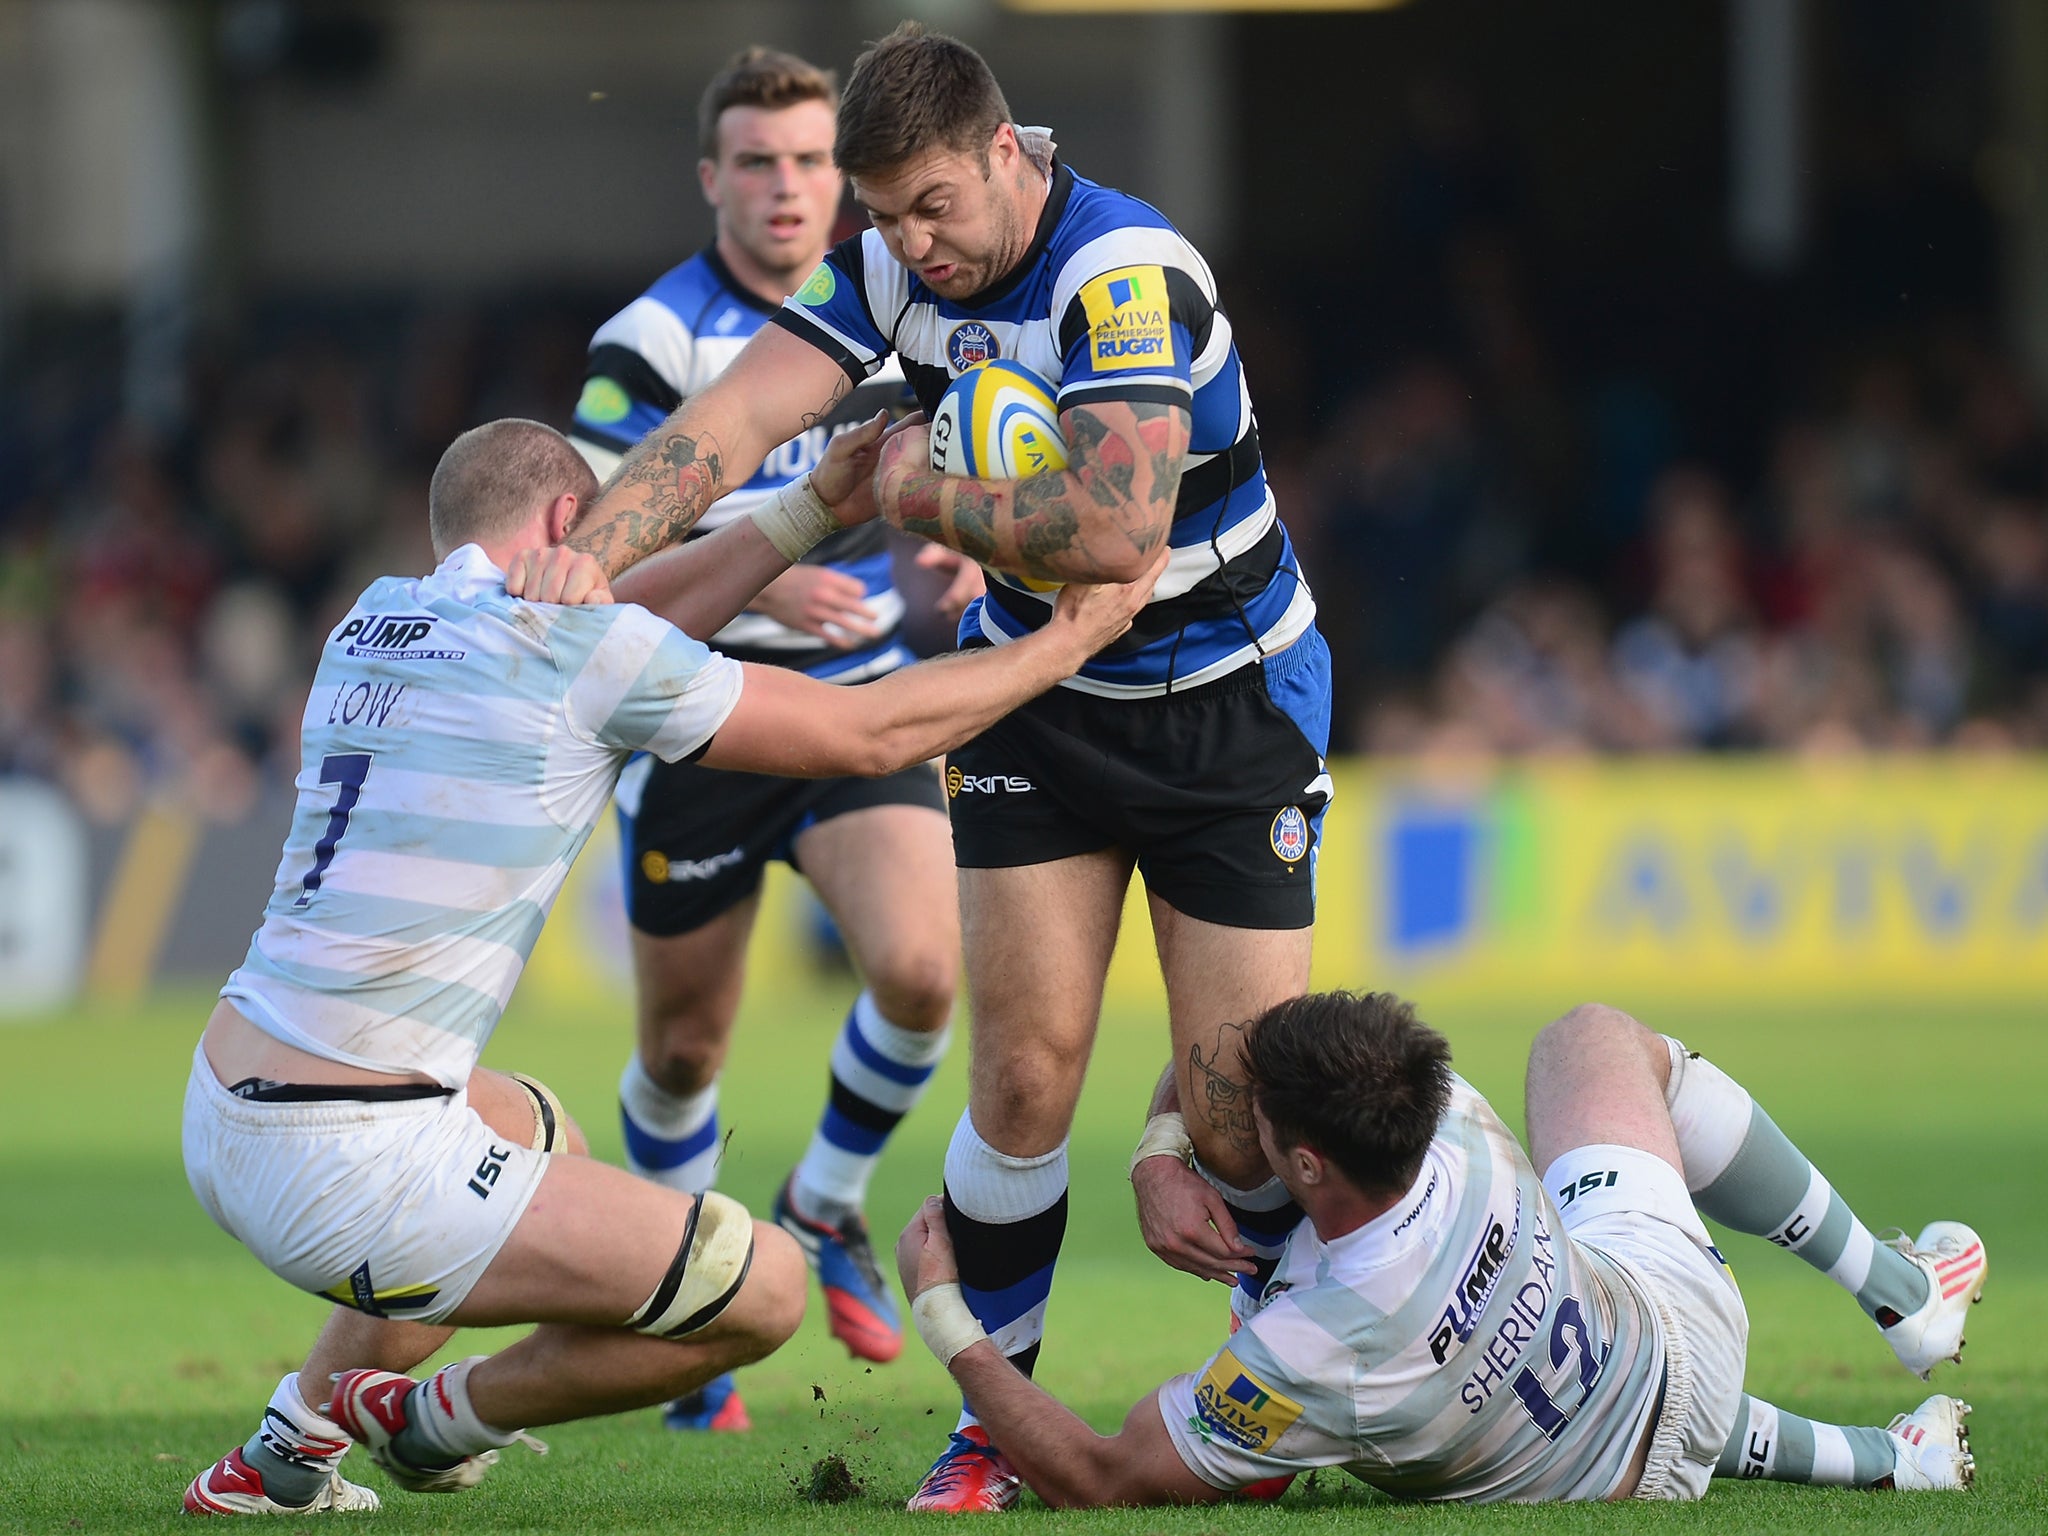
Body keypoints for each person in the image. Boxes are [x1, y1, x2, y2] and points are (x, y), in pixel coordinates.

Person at [560, 26, 1333, 1508]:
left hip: (1227, 701)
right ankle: (995, 1430)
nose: (911, 245)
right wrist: (581, 565)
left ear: (1005, 152)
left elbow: (1117, 535)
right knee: (1025, 1075)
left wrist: (919, 486)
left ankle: (1264, 1392)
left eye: (931, 206)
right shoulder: (891, 262)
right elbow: (731, 424)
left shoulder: (1126, 275)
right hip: (1034, 704)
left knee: (1240, 1113)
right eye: (883, 217)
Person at [179, 415, 1162, 1516]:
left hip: (223, 1102)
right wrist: (1059, 647)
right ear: (570, 522)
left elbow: (612, 628)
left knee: (534, 1127)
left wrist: (806, 512)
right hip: (350, 1167)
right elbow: (872, 738)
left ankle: (281, 1455)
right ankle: (435, 1420)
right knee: (760, 1289)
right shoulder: (574, 651)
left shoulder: (377, 615)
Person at [566, 48, 985, 1428]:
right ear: (713, 179)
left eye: (812, 161)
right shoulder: (653, 334)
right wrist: (761, 548)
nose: (791, 188)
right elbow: (604, 515)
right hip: (693, 714)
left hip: (850, 699)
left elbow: (977, 431)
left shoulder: (897, 294)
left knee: (925, 971)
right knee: (687, 1049)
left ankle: (823, 1202)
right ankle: (689, 1300)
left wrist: (980, 534)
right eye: (760, 161)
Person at [891, 992, 1985, 1508]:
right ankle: (1897, 1359)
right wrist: (1158, 1146)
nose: (1235, 1106)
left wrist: (947, 1314)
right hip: (1662, 1330)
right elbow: (1243, 1052)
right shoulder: (1442, 1112)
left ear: (1306, 1167)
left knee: (1536, 1401)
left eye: (1253, 1113)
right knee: (1589, 1043)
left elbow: (1099, 1473)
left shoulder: (1326, 1349)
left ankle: (1907, 1320)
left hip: (1587, 1478)